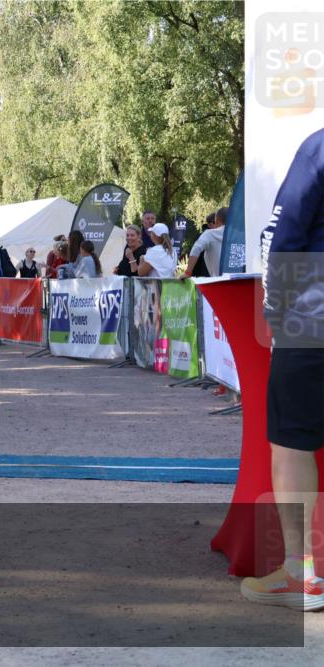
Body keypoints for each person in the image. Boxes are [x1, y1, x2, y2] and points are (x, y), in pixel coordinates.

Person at [240, 128, 324, 611]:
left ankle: (301, 572)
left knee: (291, 445)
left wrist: (275, 314)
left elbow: (283, 234)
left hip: (312, 323)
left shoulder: (318, 148)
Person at [185, 207, 227, 278]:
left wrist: (188, 272)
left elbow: (196, 249)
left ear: (217, 220)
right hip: (240, 281)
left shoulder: (209, 234)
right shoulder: (240, 235)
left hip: (218, 281)